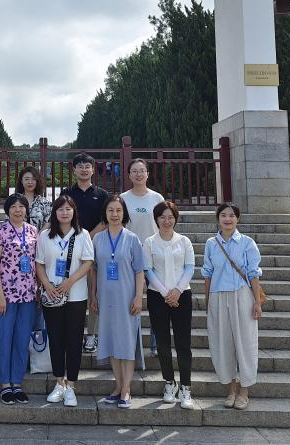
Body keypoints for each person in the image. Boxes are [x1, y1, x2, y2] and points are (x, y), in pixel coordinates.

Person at [201, 202, 263, 410]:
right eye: (223, 215)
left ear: (238, 219)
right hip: (218, 297)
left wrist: (257, 302)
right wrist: (208, 301)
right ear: (218, 219)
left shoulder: (247, 243)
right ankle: (231, 390)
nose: (227, 219)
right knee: (222, 344)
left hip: (242, 295)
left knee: (245, 343)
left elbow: (253, 273)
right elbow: (207, 273)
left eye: (231, 215)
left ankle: (245, 392)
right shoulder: (211, 244)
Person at [35, 195, 93, 407]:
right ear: (55, 212)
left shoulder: (82, 234)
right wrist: (47, 285)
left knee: (74, 340)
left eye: (68, 208)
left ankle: (72, 387)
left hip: (76, 295)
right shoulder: (44, 236)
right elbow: (39, 264)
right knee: (56, 339)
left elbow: (87, 262)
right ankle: (60, 382)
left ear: (74, 211)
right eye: (60, 209)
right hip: (52, 296)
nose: (64, 212)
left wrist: (70, 281)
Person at [90, 195, 145, 409]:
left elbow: (139, 270)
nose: (114, 214)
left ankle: (126, 389)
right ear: (105, 213)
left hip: (127, 298)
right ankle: (118, 385)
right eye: (110, 210)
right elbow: (94, 269)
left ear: (124, 214)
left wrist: (138, 296)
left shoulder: (132, 239)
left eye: (118, 211)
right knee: (111, 341)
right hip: (106, 298)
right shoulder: (98, 239)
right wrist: (93, 294)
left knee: (127, 343)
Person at [142, 201, 195, 409]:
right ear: (156, 219)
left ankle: (186, 387)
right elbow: (148, 270)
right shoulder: (149, 242)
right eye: (162, 217)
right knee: (162, 343)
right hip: (158, 296)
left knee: (183, 343)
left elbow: (189, 267)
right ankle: (169, 382)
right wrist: (165, 293)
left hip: (182, 295)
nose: (166, 221)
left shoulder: (184, 241)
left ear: (176, 219)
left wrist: (177, 291)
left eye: (170, 217)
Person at [0, 193, 39, 405]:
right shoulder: (0, 231)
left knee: (21, 339)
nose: (18, 210)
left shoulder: (33, 231)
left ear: (26, 209)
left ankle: (17, 383)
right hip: (6, 296)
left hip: (28, 295)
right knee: (4, 338)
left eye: (21, 206)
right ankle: (4, 385)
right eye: (13, 206)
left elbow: (37, 262)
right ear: (7, 210)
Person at [62, 152, 108, 353]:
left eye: (87, 166)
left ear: (93, 169)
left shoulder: (102, 194)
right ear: (74, 170)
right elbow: (61, 216)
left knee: (93, 291)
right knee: (72, 289)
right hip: (70, 247)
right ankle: (74, 334)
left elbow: (107, 219)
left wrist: (88, 236)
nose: (84, 169)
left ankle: (92, 335)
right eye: (80, 166)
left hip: (95, 246)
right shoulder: (67, 193)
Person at [120, 158, 164, 356]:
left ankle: (156, 345)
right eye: (134, 171)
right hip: (129, 255)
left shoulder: (157, 198)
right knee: (130, 300)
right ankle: (131, 344)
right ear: (129, 175)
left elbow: (165, 223)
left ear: (147, 174)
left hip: (153, 255)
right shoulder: (123, 198)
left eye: (142, 170)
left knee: (157, 302)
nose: (138, 174)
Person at [16, 166, 51, 231]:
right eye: (26, 179)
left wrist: (37, 235)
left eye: (33, 179)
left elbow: (49, 221)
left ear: (37, 181)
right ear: (21, 181)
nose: (30, 182)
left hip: (39, 236)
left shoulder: (44, 202)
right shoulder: (15, 201)